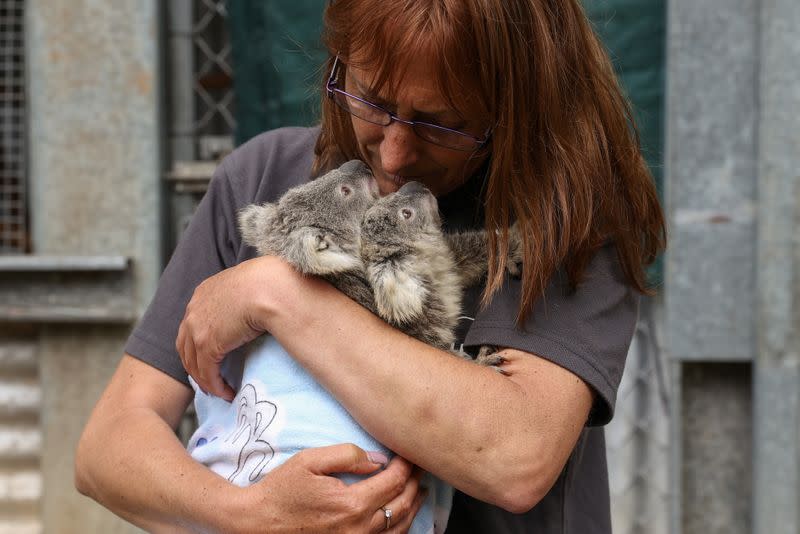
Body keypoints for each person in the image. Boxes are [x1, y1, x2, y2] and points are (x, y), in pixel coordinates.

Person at [75, 1, 666, 533]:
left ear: (512, 106)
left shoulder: (571, 218)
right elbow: (107, 449)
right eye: (372, 102)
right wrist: (250, 516)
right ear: (339, 63)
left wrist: (280, 294)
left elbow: (513, 459)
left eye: (443, 123)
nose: (394, 152)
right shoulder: (265, 175)